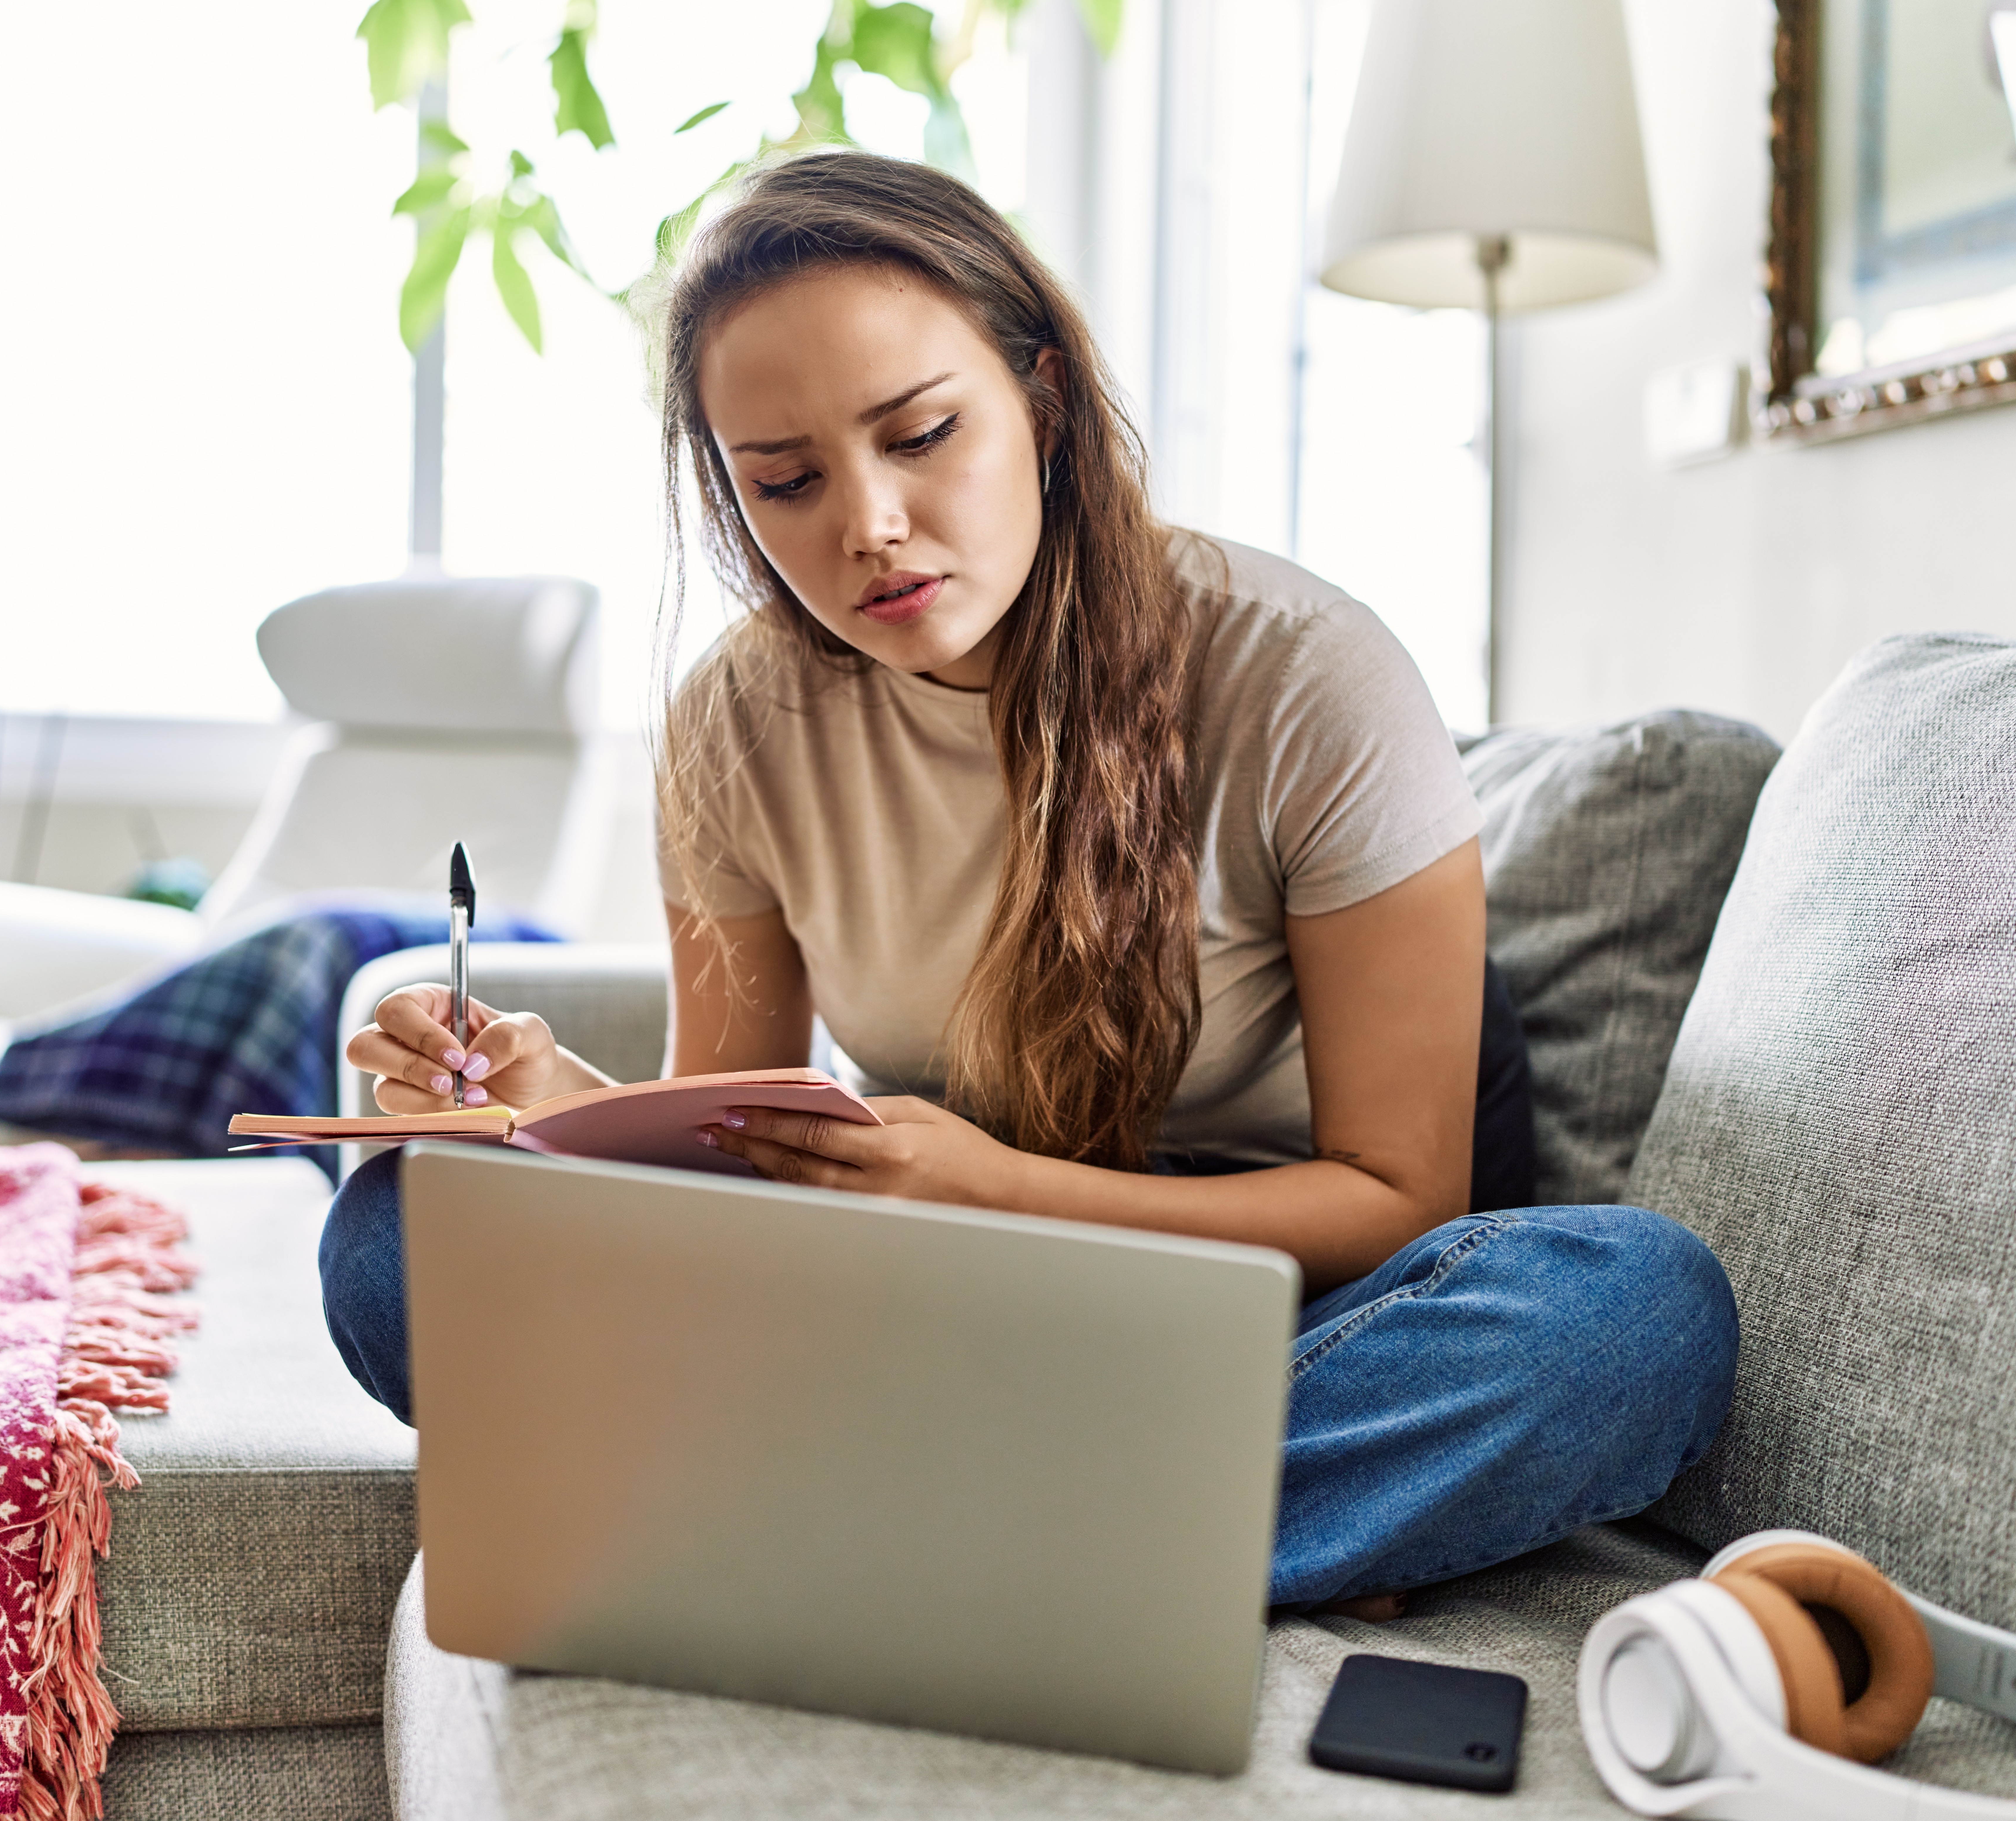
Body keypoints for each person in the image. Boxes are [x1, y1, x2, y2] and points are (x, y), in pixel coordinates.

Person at [319, 151, 1735, 1611]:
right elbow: (736, 1154)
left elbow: (1396, 1201)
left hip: (1274, 1308)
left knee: (1633, 1310)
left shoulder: (1308, 676)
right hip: (937, 1305)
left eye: (921, 435)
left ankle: (824, 1527)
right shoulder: (735, 724)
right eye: (788, 483)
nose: (864, 524)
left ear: (1041, 403)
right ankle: (1137, 1534)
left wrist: (990, 1189)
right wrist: (556, 1109)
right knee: (395, 1233)